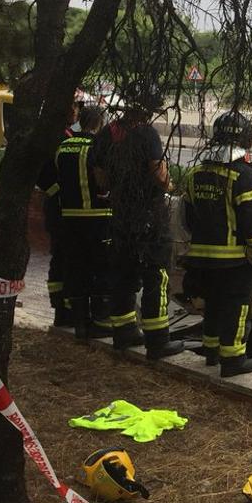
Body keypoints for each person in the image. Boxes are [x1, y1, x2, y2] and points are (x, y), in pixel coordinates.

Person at [93, 87, 184, 359]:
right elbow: (158, 172)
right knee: (157, 274)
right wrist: (170, 184)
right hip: (149, 215)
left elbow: (100, 178)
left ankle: (124, 332)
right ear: (146, 110)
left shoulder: (106, 134)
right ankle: (158, 341)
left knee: (123, 273)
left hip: (120, 215)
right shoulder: (146, 134)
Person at [182, 111, 252, 377]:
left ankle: (211, 351)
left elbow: (188, 219)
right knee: (236, 306)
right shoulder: (245, 178)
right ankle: (233, 360)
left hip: (200, 257)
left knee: (212, 304)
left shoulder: (195, 173)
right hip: (234, 261)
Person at [37, 105, 113, 341]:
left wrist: (61, 195)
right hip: (98, 219)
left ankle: (76, 321)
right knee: (100, 269)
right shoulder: (98, 146)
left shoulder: (63, 145)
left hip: (68, 218)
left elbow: (45, 176)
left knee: (74, 268)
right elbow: (105, 181)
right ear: (99, 124)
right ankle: (99, 320)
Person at [39, 101, 79, 327]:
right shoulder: (56, 139)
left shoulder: (67, 135)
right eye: (73, 107)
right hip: (60, 208)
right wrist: (58, 193)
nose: (77, 111)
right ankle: (63, 309)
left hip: (64, 207)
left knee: (63, 257)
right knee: (64, 258)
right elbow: (41, 173)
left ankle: (65, 309)